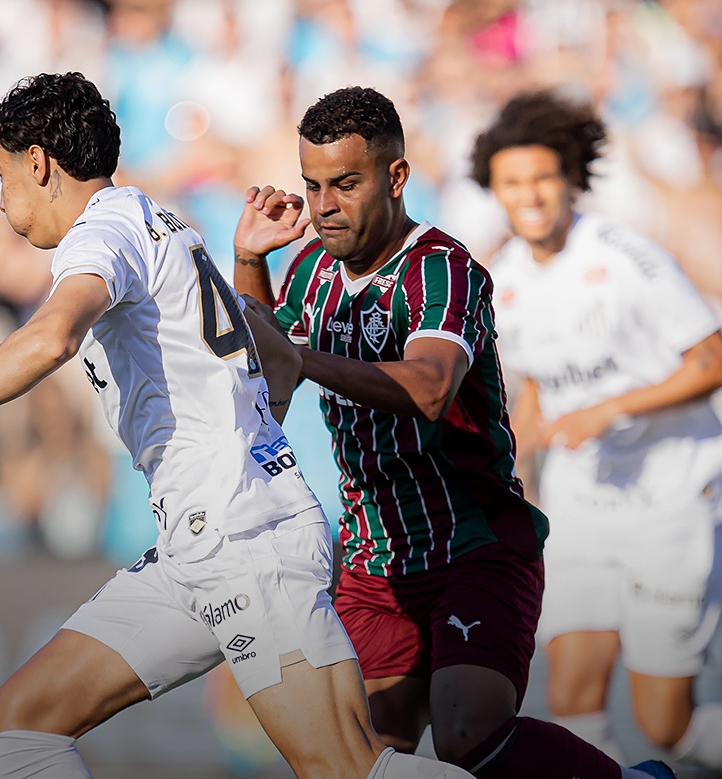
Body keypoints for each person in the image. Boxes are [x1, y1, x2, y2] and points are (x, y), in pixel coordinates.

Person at [0, 71, 473, 779]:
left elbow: (50, 338)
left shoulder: (100, 234)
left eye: (0, 175)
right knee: (20, 723)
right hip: (198, 538)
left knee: (345, 769)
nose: (1, 199)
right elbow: (265, 374)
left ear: (38, 164)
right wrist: (247, 266)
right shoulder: (159, 221)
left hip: (242, 536)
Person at [232, 84, 680, 779]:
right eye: (312, 186)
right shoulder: (311, 269)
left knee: (467, 730)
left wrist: (304, 359)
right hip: (375, 560)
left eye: (345, 184)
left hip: (473, 543)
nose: (323, 206)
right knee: (362, 752)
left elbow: (429, 387)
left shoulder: (441, 267)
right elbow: (264, 378)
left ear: (396, 176)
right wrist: (250, 262)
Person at [471, 89, 722, 778]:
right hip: (583, 503)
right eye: (512, 182)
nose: (529, 194)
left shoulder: (626, 257)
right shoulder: (501, 279)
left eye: (543, 177)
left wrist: (608, 409)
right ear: (494, 189)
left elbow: (718, 362)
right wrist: (513, 463)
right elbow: (536, 387)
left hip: (675, 497)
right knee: (572, 699)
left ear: (570, 178)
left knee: (665, 723)